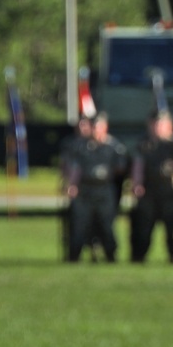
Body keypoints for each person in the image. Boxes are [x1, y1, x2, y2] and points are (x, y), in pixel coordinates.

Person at [61, 112, 128, 263]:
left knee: (106, 226)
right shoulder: (82, 147)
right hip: (85, 190)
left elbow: (121, 171)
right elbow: (75, 168)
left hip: (104, 190)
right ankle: (74, 257)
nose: (95, 130)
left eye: (98, 126)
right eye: (93, 127)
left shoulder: (114, 147)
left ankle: (111, 256)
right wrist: (71, 185)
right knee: (79, 224)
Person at [129, 110, 173, 263]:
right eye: (154, 124)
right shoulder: (143, 144)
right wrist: (137, 184)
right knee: (143, 228)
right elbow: (138, 165)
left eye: (161, 124)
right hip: (149, 191)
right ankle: (139, 256)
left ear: (169, 125)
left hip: (169, 191)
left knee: (172, 227)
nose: (157, 127)